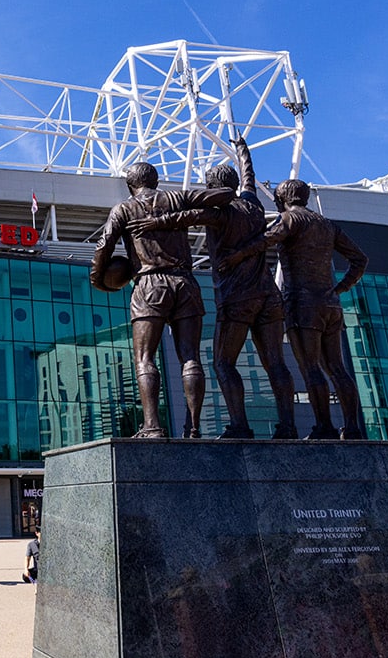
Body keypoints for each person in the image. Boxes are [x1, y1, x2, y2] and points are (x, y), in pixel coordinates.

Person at [129, 137, 297, 438]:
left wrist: (155, 223)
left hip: (238, 297)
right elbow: (249, 176)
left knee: (223, 362)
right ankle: (288, 426)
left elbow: (189, 216)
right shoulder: (253, 203)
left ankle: (240, 426)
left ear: (213, 189)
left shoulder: (220, 212)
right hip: (269, 296)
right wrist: (244, 152)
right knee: (276, 362)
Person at [91, 162, 233, 437]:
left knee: (145, 358)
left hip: (149, 285)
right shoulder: (176, 197)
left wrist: (98, 280)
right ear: (155, 181)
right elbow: (226, 194)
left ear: (130, 185)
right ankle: (193, 427)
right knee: (191, 358)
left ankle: (153, 426)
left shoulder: (125, 208)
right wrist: (181, 216)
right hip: (185, 284)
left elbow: (104, 244)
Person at [224, 177, 369, 439]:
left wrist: (237, 254)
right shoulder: (326, 225)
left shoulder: (291, 220)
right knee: (337, 368)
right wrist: (341, 288)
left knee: (311, 368)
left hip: (303, 305)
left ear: (281, 200)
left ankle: (324, 427)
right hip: (330, 305)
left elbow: (265, 240)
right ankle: (353, 427)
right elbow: (360, 259)